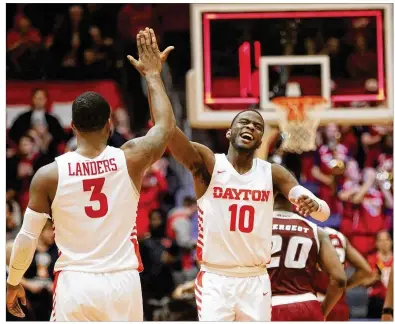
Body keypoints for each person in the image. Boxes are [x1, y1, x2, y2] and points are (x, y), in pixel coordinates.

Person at [6, 28, 175, 321]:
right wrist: (152, 75)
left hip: (77, 282)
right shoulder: (131, 158)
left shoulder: (49, 174)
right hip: (123, 281)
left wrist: (12, 282)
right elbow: (165, 127)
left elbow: (27, 236)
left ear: (72, 125)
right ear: (110, 124)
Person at [148, 56, 331, 321]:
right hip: (215, 278)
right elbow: (167, 129)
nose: (250, 127)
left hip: (255, 278)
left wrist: (309, 200)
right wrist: (154, 77)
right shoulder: (210, 164)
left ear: (260, 141)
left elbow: (321, 212)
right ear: (229, 132)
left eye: (257, 126)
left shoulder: (272, 173)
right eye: (244, 122)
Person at [268, 193, 346, 321]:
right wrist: (323, 312)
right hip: (308, 305)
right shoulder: (316, 230)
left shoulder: (255, 226)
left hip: (268, 306)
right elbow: (340, 279)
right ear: (294, 198)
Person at [314, 225, 373, 321]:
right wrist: (342, 287)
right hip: (338, 305)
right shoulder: (340, 237)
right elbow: (366, 270)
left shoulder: (309, 233)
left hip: (315, 304)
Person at [366, 231, 394, 319]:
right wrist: (374, 278)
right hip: (377, 301)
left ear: (391, 242)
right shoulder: (371, 259)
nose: (384, 243)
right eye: (381, 240)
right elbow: (364, 283)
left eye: (386, 240)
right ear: (376, 243)